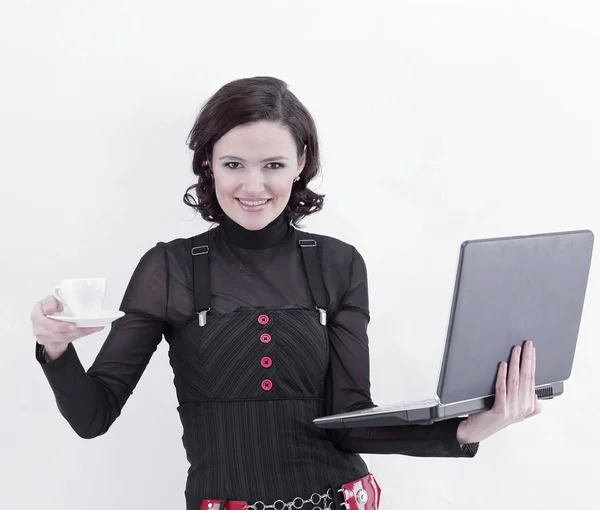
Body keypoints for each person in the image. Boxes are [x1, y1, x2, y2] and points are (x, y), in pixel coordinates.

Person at [31, 76, 542, 510]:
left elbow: (351, 423)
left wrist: (471, 428)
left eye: (273, 165)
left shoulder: (338, 263)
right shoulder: (170, 268)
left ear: (301, 162)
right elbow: (92, 417)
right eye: (234, 164)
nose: (253, 186)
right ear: (209, 162)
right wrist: (55, 348)